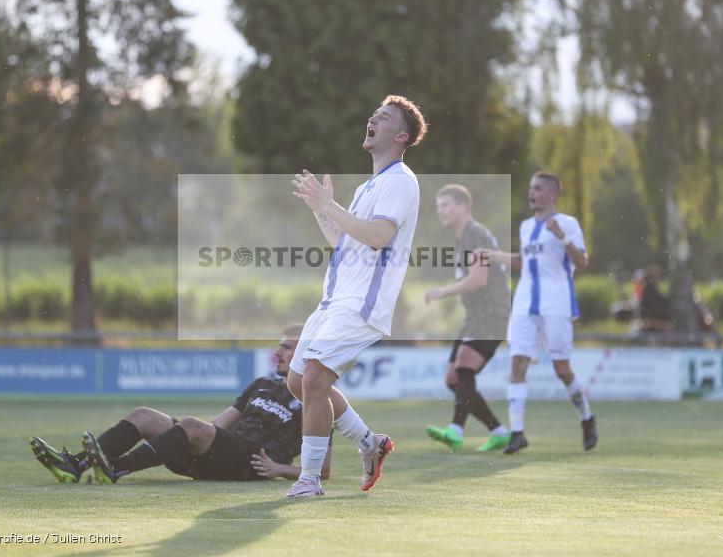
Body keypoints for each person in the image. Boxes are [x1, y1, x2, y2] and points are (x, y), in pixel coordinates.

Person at [286, 95, 426, 498]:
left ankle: (309, 479)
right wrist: (320, 209)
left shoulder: (401, 179)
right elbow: (346, 242)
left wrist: (330, 204)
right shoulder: (371, 185)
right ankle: (370, 443)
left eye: (382, 118)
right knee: (299, 382)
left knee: (314, 377)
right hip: (335, 299)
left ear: (401, 136)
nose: (372, 119)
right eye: (373, 115)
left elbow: (379, 238)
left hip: (362, 303)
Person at [30, 324, 333, 483]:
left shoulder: (320, 400)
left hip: (253, 462)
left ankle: (115, 469)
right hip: (224, 452)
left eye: (286, 348)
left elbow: (325, 470)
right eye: (277, 347)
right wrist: (184, 433)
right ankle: (76, 464)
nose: (277, 353)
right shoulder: (262, 384)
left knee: (189, 425)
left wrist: (280, 469)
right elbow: (218, 426)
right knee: (144, 415)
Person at [483, 172, 597, 454]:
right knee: (517, 363)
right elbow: (523, 261)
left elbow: (582, 262)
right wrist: (490, 255)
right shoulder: (525, 227)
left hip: (556, 302)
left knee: (562, 369)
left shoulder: (568, 223)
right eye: (530, 187)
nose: (531, 193)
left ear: (553, 193)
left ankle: (586, 417)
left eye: (537, 188)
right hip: (524, 302)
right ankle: (517, 433)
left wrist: (563, 239)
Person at [423, 183, 511, 452]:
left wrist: (442, 292)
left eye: (447, 205)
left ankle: (456, 431)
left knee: (464, 365)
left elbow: (479, 280)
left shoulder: (474, 234)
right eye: (439, 206)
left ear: (464, 207)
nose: (442, 211)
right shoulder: (465, 238)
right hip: (476, 314)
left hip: (491, 311)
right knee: (453, 377)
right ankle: (499, 431)